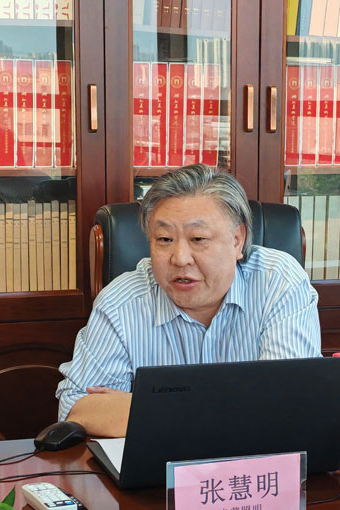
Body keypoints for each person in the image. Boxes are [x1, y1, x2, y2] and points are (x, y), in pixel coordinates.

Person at [57, 164, 321, 437]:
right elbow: (76, 409)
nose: (180, 258)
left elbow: (288, 402)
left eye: (198, 238)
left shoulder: (277, 282)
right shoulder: (120, 303)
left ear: (237, 240)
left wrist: (148, 408)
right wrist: (236, 406)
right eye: (164, 239)